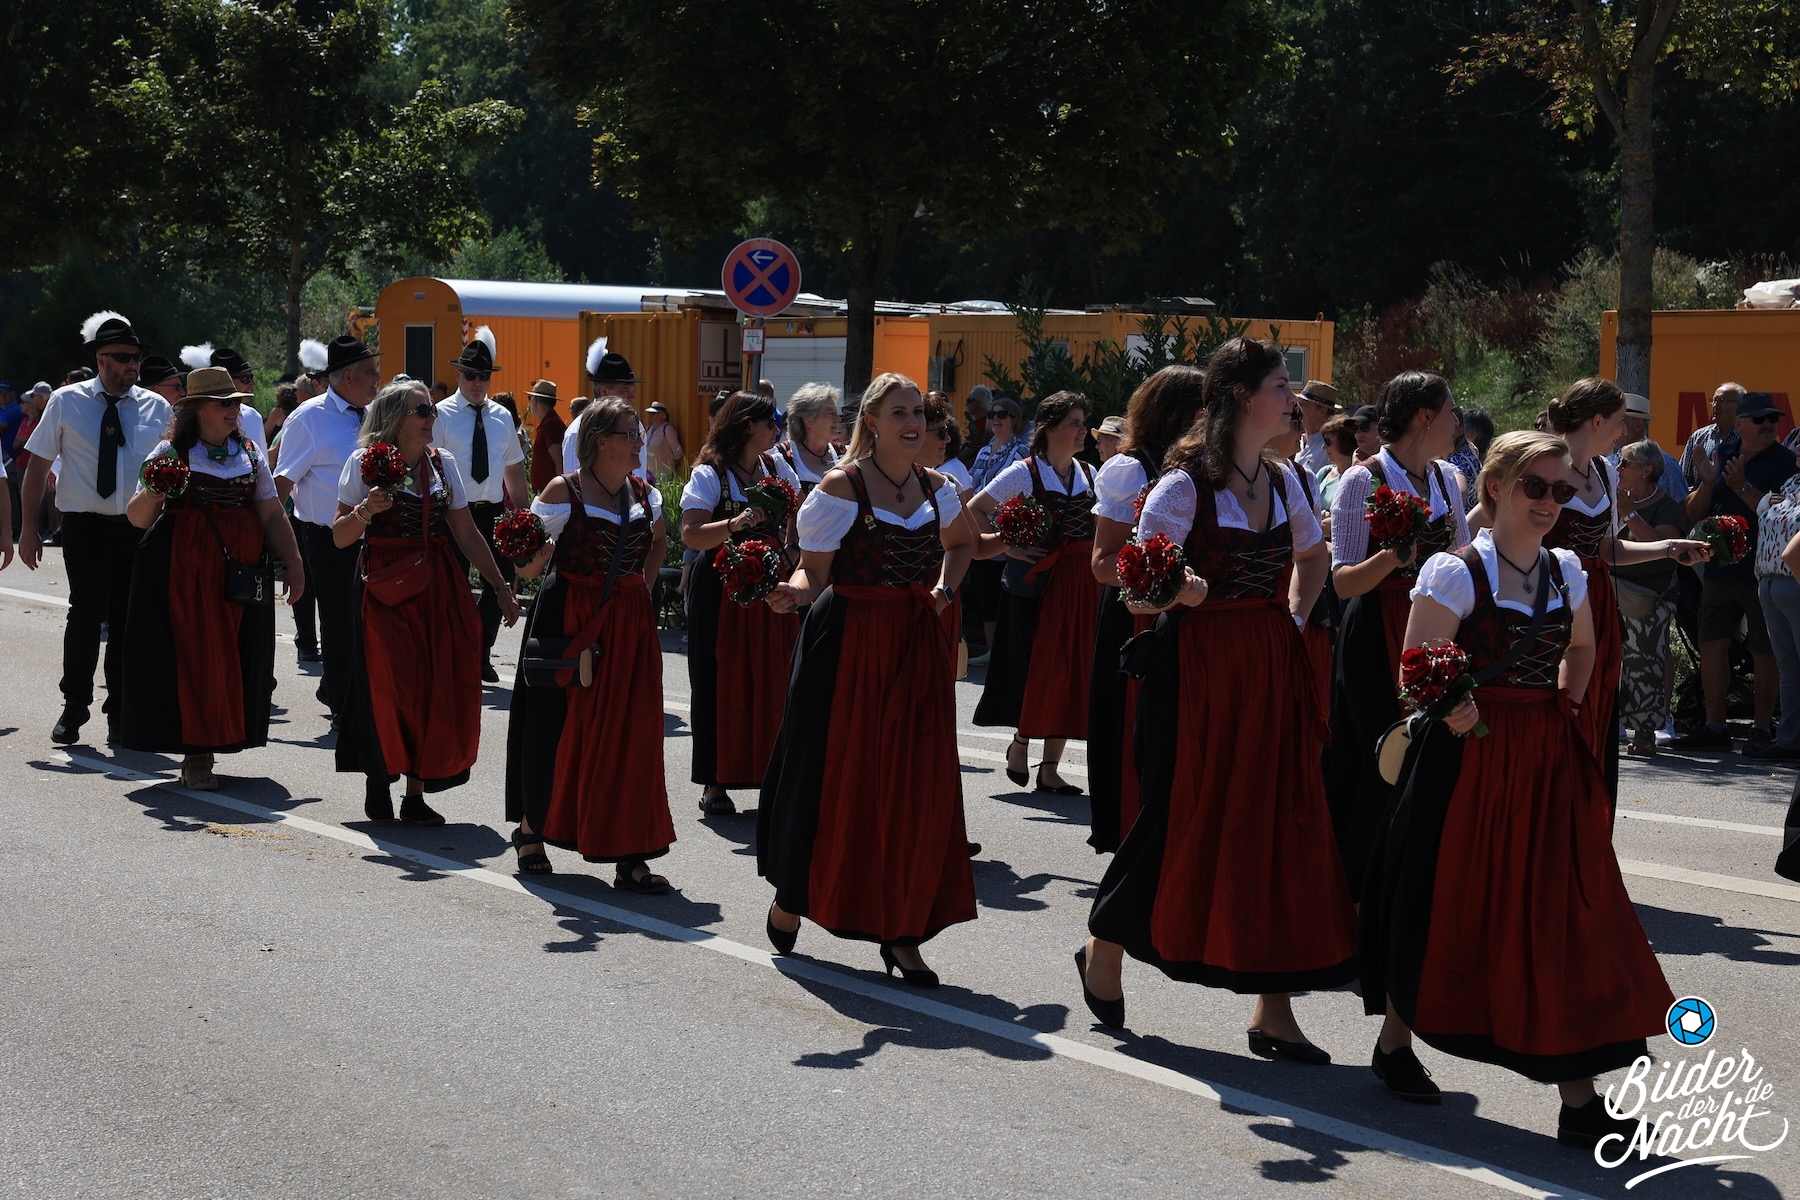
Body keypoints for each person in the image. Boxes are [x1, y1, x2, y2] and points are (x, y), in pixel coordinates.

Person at [1359, 431, 1671, 1148]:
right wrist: (1455, 707)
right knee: (1447, 897)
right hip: (1465, 760)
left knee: (1560, 909)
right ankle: (1396, 1040)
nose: (1550, 502)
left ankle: (1578, 1099)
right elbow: (1414, 666)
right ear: (1495, 487)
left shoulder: (1567, 569)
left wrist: (1568, 704)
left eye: (1562, 490)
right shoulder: (1454, 571)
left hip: (1545, 758)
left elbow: (1583, 646)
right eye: (1536, 487)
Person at [1081, 338, 1350, 1055]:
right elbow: (1135, 589)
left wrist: (1294, 617)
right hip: (1195, 669)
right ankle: (1107, 939)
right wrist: (1180, 592)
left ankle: (1274, 1009)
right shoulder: (1182, 488)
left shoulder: (1285, 481)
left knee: (1280, 820)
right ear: (1240, 396)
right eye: (1279, 386)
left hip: (1269, 663)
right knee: (1181, 815)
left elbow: (1314, 557)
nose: (1292, 399)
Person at [759, 373, 977, 986]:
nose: (913, 423)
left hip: (915, 644)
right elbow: (813, 573)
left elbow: (961, 545)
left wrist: (943, 591)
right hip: (847, 644)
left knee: (914, 785)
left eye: (919, 413)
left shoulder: (939, 488)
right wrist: (791, 592)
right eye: (899, 412)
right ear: (873, 422)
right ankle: (794, 894)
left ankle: (902, 930)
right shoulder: (840, 487)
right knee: (834, 777)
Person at [505, 397, 674, 886]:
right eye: (630, 433)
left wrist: (640, 585)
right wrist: (535, 550)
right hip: (570, 617)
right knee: (556, 726)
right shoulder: (564, 490)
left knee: (631, 732)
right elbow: (527, 569)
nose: (639, 442)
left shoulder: (644, 492)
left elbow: (659, 540)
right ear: (601, 442)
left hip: (630, 624)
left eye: (638, 433)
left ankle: (630, 850)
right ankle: (532, 828)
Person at [332, 381, 519, 823]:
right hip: (384, 583)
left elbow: (466, 532)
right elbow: (339, 536)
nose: (431, 417)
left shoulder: (442, 463)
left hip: (437, 581)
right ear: (396, 419)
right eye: (422, 411)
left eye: (432, 410)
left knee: (436, 682)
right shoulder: (365, 462)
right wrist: (366, 511)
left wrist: (499, 585)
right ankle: (379, 777)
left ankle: (415, 793)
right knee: (389, 684)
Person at [118, 366, 306, 788]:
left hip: (241, 570)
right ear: (197, 408)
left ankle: (221, 736)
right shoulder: (170, 452)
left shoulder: (250, 452)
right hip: (187, 570)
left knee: (236, 653)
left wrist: (294, 563)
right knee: (197, 655)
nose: (233, 410)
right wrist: (155, 490)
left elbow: (272, 513)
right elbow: (137, 517)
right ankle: (197, 753)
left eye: (236, 403)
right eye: (224, 404)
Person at [1325, 371, 1469, 895]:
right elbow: (1342, 581)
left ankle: (1414, 884)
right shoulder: (1362, 480)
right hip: (1375, 631)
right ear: (1425, 417)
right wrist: (1393, 556)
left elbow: (1462, 558)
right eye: (1450, 412)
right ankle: (1360, 893)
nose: (1457, 422)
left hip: (1433, 628)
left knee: (1431, 753)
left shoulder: (1448, 479)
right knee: (1378, 758)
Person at [1529, 378, 1709, 792]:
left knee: (1597, 707)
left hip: (1596, 599)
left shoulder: (1605, 472)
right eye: (1620, 421)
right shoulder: (1542, 465)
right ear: (1597, 422)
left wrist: (1669, 548)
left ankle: (1587, 806)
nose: (1624, 430)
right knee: (1556, 704)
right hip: (1548, 598)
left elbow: (1607, 549)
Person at [19, 311, 173, 744]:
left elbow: (171, 470)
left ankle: (120, 712)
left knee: (128, 619)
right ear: (100, 360)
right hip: (84, 525)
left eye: (136, 357)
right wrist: (29, 528)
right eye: (122, 357)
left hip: (138, 525)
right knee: (85, 613)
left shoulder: (157, 407)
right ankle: (74, 705)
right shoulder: (66, 401)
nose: (132, 365)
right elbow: (37, 468)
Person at [1086, 365, 1207, 854]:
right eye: (1203, 408)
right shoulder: (1132, 469)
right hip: (1134, 616)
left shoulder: (1206, 469)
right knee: (1137, 732)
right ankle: (1132, 843)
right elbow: (1102, 563)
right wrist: (1161, 579)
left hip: (1189, 616)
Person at [679, 390, 803, 816]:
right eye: (771, 423)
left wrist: (791, 549)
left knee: (775, 675)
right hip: (721, 587)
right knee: (719, 678)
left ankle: (775, 773)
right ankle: (715, 780)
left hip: (771, 584)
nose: (777, 430)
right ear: (748, 426)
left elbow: (798, 512)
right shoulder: (710, 473)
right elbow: (691, 534)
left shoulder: (776, 466)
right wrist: (733, 524)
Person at [970, 391, 1099, 795]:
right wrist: (1007, 545)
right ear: (1050, 428)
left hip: (1078, 586)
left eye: (1083, 422)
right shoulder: (1024, 472)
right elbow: (975, 510)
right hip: (1034, 587)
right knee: (1035, 669)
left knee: (1070, 672)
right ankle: (1021, 742)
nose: (1083, 430)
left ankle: (1050, 768)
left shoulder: (1089, 473)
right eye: (1075, 423)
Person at [1682, 390, 1799, 750]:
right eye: (1759, 419)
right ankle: (1715, 727)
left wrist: (1741, 487)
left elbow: (1781, 515)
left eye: (1773, 419)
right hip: (1720, 571)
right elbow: (1693, 513)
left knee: (1766, 653)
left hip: (1762, 573)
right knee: (1711, 644)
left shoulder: (1785, 462)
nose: (1768, 425)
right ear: (1740, 423)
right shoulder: (1725, 453)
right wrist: (1707, 482)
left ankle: (1761, 729)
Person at [272, 335, 381, 720]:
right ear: (347, 376)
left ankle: (338, 687)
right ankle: (342, 706)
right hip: (326, 537)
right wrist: (274, 544)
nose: (377, 378)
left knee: (367, 621)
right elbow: (282, 483)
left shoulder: (374, 413)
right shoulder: (309, 417)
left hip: (373, 534)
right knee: (339, 622)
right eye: (370, 371)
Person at [433, 328, 529, 683]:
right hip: (453, 514)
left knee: (501, 581)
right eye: (471, 375)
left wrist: (524, 519)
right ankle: (455, 653)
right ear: (458, 375)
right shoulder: (441, 415)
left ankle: (481, 650)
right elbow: (430, 466)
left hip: (492, 511)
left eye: (484, 376)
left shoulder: (502, 416)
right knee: (454, 585)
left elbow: (514, 471)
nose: (477, 382)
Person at [1613, 440, 1690, 758]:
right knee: (1609, 660)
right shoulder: (1615, 500)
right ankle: (1610, 725)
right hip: (1614, 591)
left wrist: (1629, 513)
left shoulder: (1667, 507)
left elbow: (1662, 546)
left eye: (1625, 463)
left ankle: (1645, 734)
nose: (1618, 468)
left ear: (1646, 470)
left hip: (1650, 598)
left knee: (1645, 664)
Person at [965, 393, 1029, 664]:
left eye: (1002, 414)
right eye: (992, 414)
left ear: (1014, 419)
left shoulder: (1021, 452)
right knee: (986, 594)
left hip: (1004, 530)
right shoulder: (983, 451)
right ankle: (992, 651)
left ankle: (1004, 650)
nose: (995, 419)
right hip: (978, 526)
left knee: (1002, 592)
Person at [1751, 469, 1800, 761]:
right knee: (1788, 666)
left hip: (1794, 582)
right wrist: (1762, 504)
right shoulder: (1791, 482)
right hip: (1769, 581)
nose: (1798, 449)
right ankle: (1789, 740)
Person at [565, 339, 650, 482]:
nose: (632, 397)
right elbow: (574, 485)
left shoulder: (636, 426)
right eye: (626, 391)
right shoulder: (578, 431)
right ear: (604, 392)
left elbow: (639, 477)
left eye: (633, 391)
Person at [179, 344, 266, 447]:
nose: (253, 384)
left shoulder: (253, 417)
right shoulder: (174, 449)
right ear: (228, 380)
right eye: (246, 379)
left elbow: (259, 457)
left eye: (237, 401)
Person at [1608, 392, 1686, 503]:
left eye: (1621, 422)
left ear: (1638, 425)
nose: (1613, 428)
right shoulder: (1607, 464)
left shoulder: (1667, 466)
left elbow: (1682, 507)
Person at [776, 382, 842, 498]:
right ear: (809, 420)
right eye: (831, 414)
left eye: (836, 413)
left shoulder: (844, 454)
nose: (838, 419)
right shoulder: (781, 458)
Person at [1681, 382, 1743, 492]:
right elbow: (1683, 480)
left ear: (1741, 405)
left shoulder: (1747, 438)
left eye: (1722, 400)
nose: (1716, 405)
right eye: (1714, 400)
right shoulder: (1698, 437)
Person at [525, 380, 565, 494]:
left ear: (536, 400)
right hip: (547, 490)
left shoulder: (550, 425)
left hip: (550, 492)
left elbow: (559, 462)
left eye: (530, 398)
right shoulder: (549, 423)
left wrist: (561, 492)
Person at [1294, 380, 1338, 476]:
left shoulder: (1331, 446)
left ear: (1322, 411)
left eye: (1302, 404)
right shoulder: (1300, 440)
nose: (1298, 409)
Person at [1316, 414, 1360, 507]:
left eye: (1327, 442)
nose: (1323, 447)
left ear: (1344, 442)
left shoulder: (1359, 478)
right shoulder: (1324, 473)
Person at [644, 400, 683, 475]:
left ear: (662, 415)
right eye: (650, 413)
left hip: (663, 474)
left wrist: (671, 467)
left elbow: (677, 451)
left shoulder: (667, 429)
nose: (651, 416)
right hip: (649, 473)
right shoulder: (648, 428)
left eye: (653, 414)